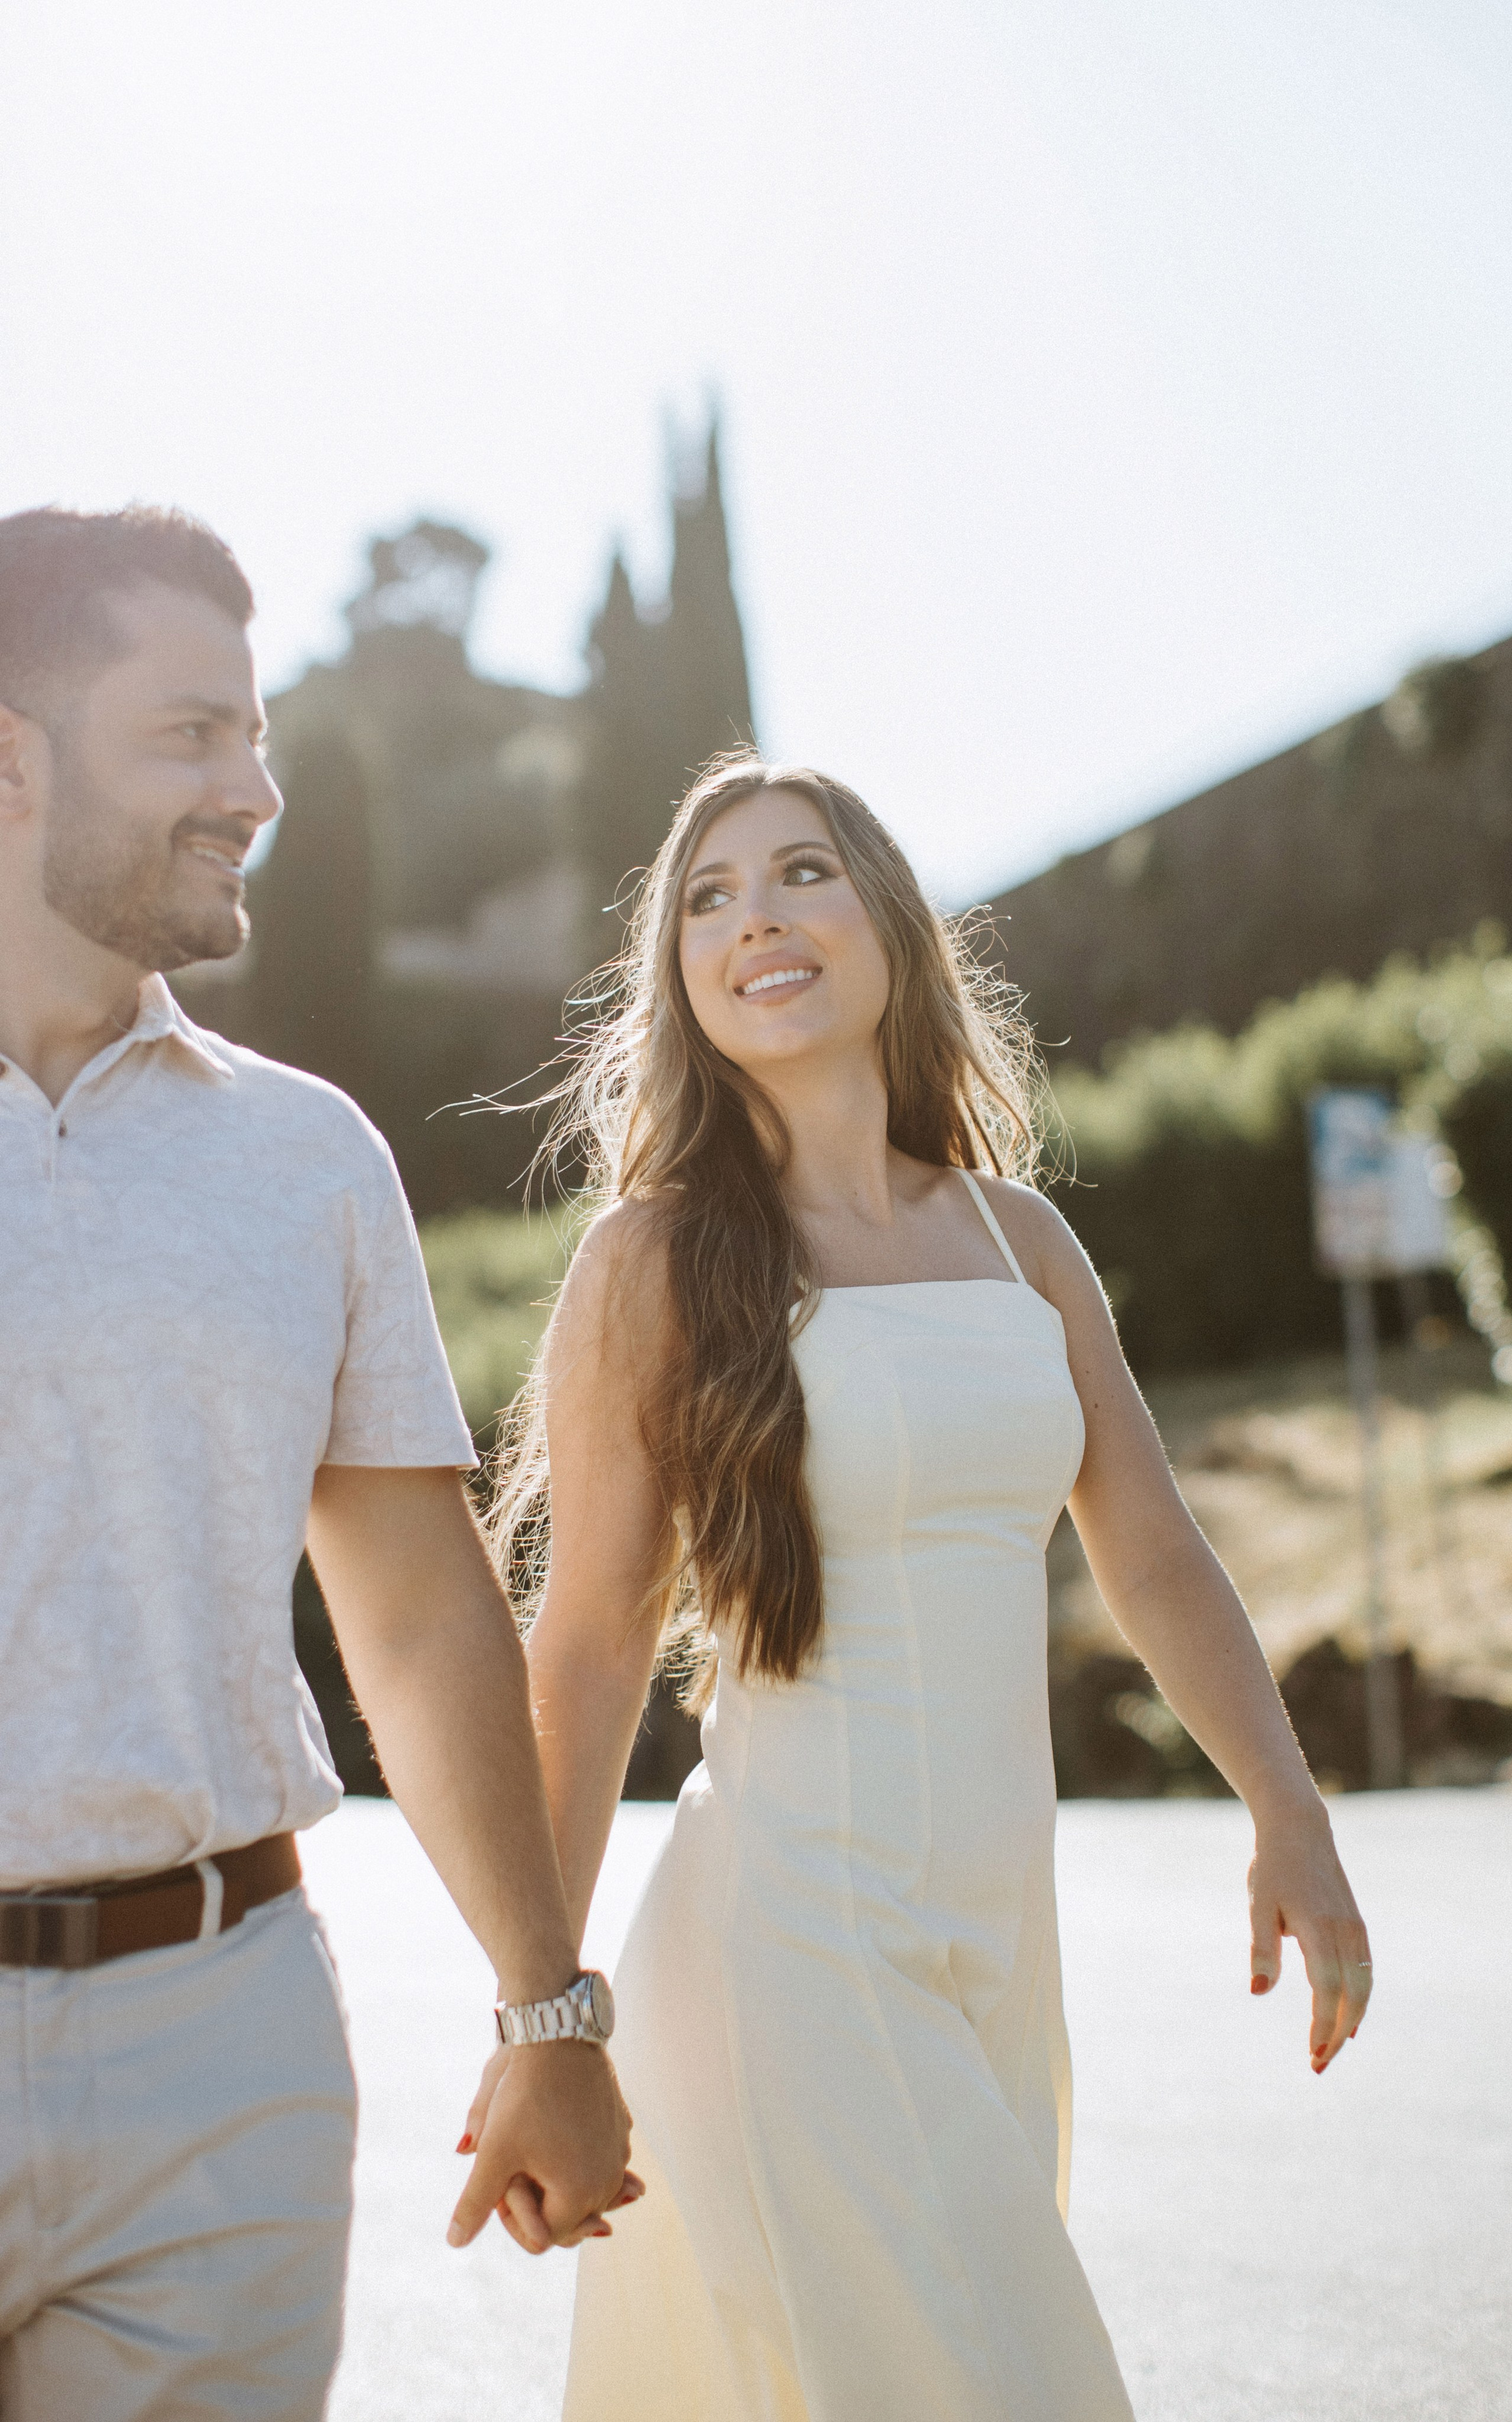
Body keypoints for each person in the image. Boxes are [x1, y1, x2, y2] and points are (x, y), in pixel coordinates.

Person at [470, 753, 1376, 2421]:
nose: (757, 919)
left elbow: (1155, 1547)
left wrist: (1289, 1808)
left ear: (890, 921)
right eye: (708, 898)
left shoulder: (1016, 1238)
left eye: (801, 872)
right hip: (789, 1938)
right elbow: (589, 1654)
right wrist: (541, 2006)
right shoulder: (651, 1263)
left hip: (993, 1946)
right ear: (679, 978)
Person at [0, 505, 637, 2422]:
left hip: (224, 2037)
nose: (256, 788)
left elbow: (423, 1614)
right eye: (192, 734)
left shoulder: (308, 1159)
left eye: (258, 736)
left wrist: (549, 2001)